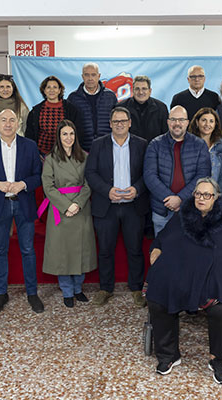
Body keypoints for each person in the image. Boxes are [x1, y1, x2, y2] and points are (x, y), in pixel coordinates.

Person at [146, 178, 222, 385]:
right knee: (158, 300)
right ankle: (169, 355)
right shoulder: (183, 216)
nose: (201, 198)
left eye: (207, 195)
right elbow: (163, 237)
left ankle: (217, 359)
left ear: (216, 197)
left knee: (221, 310)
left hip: (213, 280)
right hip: (183, 276)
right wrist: (157, 247)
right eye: (198, 194)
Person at [0, 109, 44, 314]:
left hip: (23, 203)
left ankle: (32, 293)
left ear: (18, 123)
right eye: (3, 120)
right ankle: (1, 293)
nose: (7, 124)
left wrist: (23, 183)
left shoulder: (29, 146)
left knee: (28, 250)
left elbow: (38, 175)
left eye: (12, 120)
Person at [85, 107, 149, 307]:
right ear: (110, 124)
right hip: (107, 206)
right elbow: (91, 173)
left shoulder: (142, 144)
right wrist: (106, 190)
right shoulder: (98, 145)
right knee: (105, 249)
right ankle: (105, 288)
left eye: (123, 120)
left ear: (129, 122)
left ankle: (137, 288)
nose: (119, 124)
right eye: (116, 121)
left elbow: (149, 173)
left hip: (133, 206)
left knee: (135, 249)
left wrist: (137, 189)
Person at [40, 120, 96, 307]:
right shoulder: (50, 159)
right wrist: (66, 205)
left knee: (80, 250)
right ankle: (66, 291)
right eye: (64, 134)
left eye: (71, 134)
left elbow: (89, 183)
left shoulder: (85, 156)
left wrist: (77, 204)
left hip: (81, 209)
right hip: (59, 208)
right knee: (62, 252)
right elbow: (48, 186)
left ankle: (78, 289)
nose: (68, 138)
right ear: (59, 136)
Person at [144, 106, 212, 235]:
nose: (177, 124)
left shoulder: (199, 144)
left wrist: (181, 198)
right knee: (162, 252)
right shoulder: (155, 144)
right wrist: (169, 199)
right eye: (173, 119)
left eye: (181, 120)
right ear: (168, 122)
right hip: (162, 210)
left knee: (191, 252)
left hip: (191, 209)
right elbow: (149, 175)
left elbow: (203, 175)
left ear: (187, 122)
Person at [26, 76, 84, 156]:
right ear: (44, 90)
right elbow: (30, 135)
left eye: (55, 87)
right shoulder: (35, 111)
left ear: (60, 90)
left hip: (65, 153)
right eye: (48, 87)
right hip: (41, 154)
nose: (51, 90)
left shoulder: (71, 109)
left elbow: (78, 132)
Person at [67, 62, 118, 151]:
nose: (90, 78)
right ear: (82, 76)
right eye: (87, 75)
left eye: (93, 75)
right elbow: (69, 124)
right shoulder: (73, 98)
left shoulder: (110, 96)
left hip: (106, 147)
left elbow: (117, 121)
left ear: (99, 76)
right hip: (81, 149)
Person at [189, 107, 222, 202]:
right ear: (197, 122)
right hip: (193, 197)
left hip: (217, 197)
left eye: (211, 121)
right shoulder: (188, 144)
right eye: (204, 120)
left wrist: (217, 197)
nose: (207, 124)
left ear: (215, 124)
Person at [116, 75, 168, 142]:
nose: (140, 92)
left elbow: (166, 135)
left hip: (154, 150)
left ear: (150, 91)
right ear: (132, 90)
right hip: (128, 150)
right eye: (137, 89)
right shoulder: (121, 107)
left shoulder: (161, 108)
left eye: (144, 89)